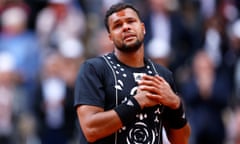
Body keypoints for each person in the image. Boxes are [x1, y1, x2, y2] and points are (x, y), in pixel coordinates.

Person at [74, 2, 190, 144]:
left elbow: (181, 140)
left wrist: (176, 104)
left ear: (143, 28)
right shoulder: (94, 69)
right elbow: (91, 130)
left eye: (131, 21)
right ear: (110, 37)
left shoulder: (162, 75)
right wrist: (136, 102)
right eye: (117, 25)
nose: (126, 27)